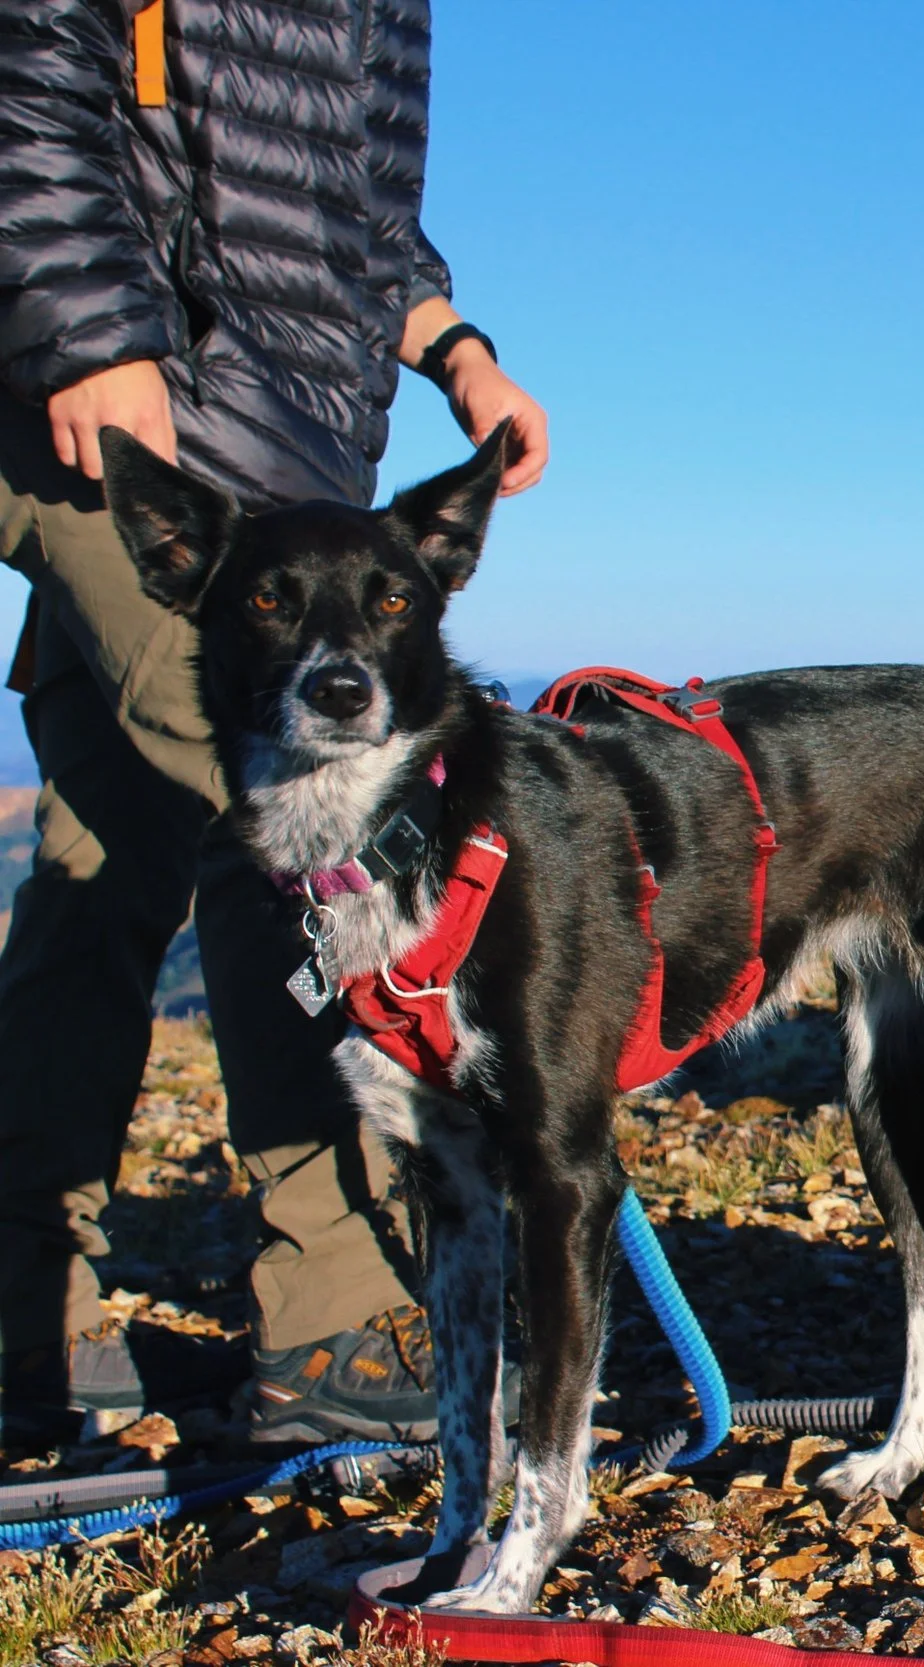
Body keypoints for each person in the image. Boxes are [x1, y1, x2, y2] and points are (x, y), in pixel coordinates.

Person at [0, 0, 548, 1446]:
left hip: (260, 448)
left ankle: (18, 1320)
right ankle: (332, 1310)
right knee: (293, 842)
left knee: (104, 858)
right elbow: (31, 55)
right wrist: (92, 335)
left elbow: (351, 203)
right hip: (123, 407)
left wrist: (457, 350)